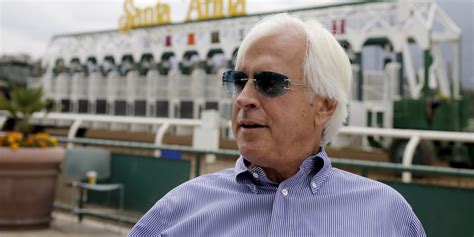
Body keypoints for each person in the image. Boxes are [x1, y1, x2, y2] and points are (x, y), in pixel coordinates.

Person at [129, 13, 426, 236]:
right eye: (238, 81)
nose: (243, 99)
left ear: (324, 106)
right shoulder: (178, 210)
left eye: (269, 83)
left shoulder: (389, 217)